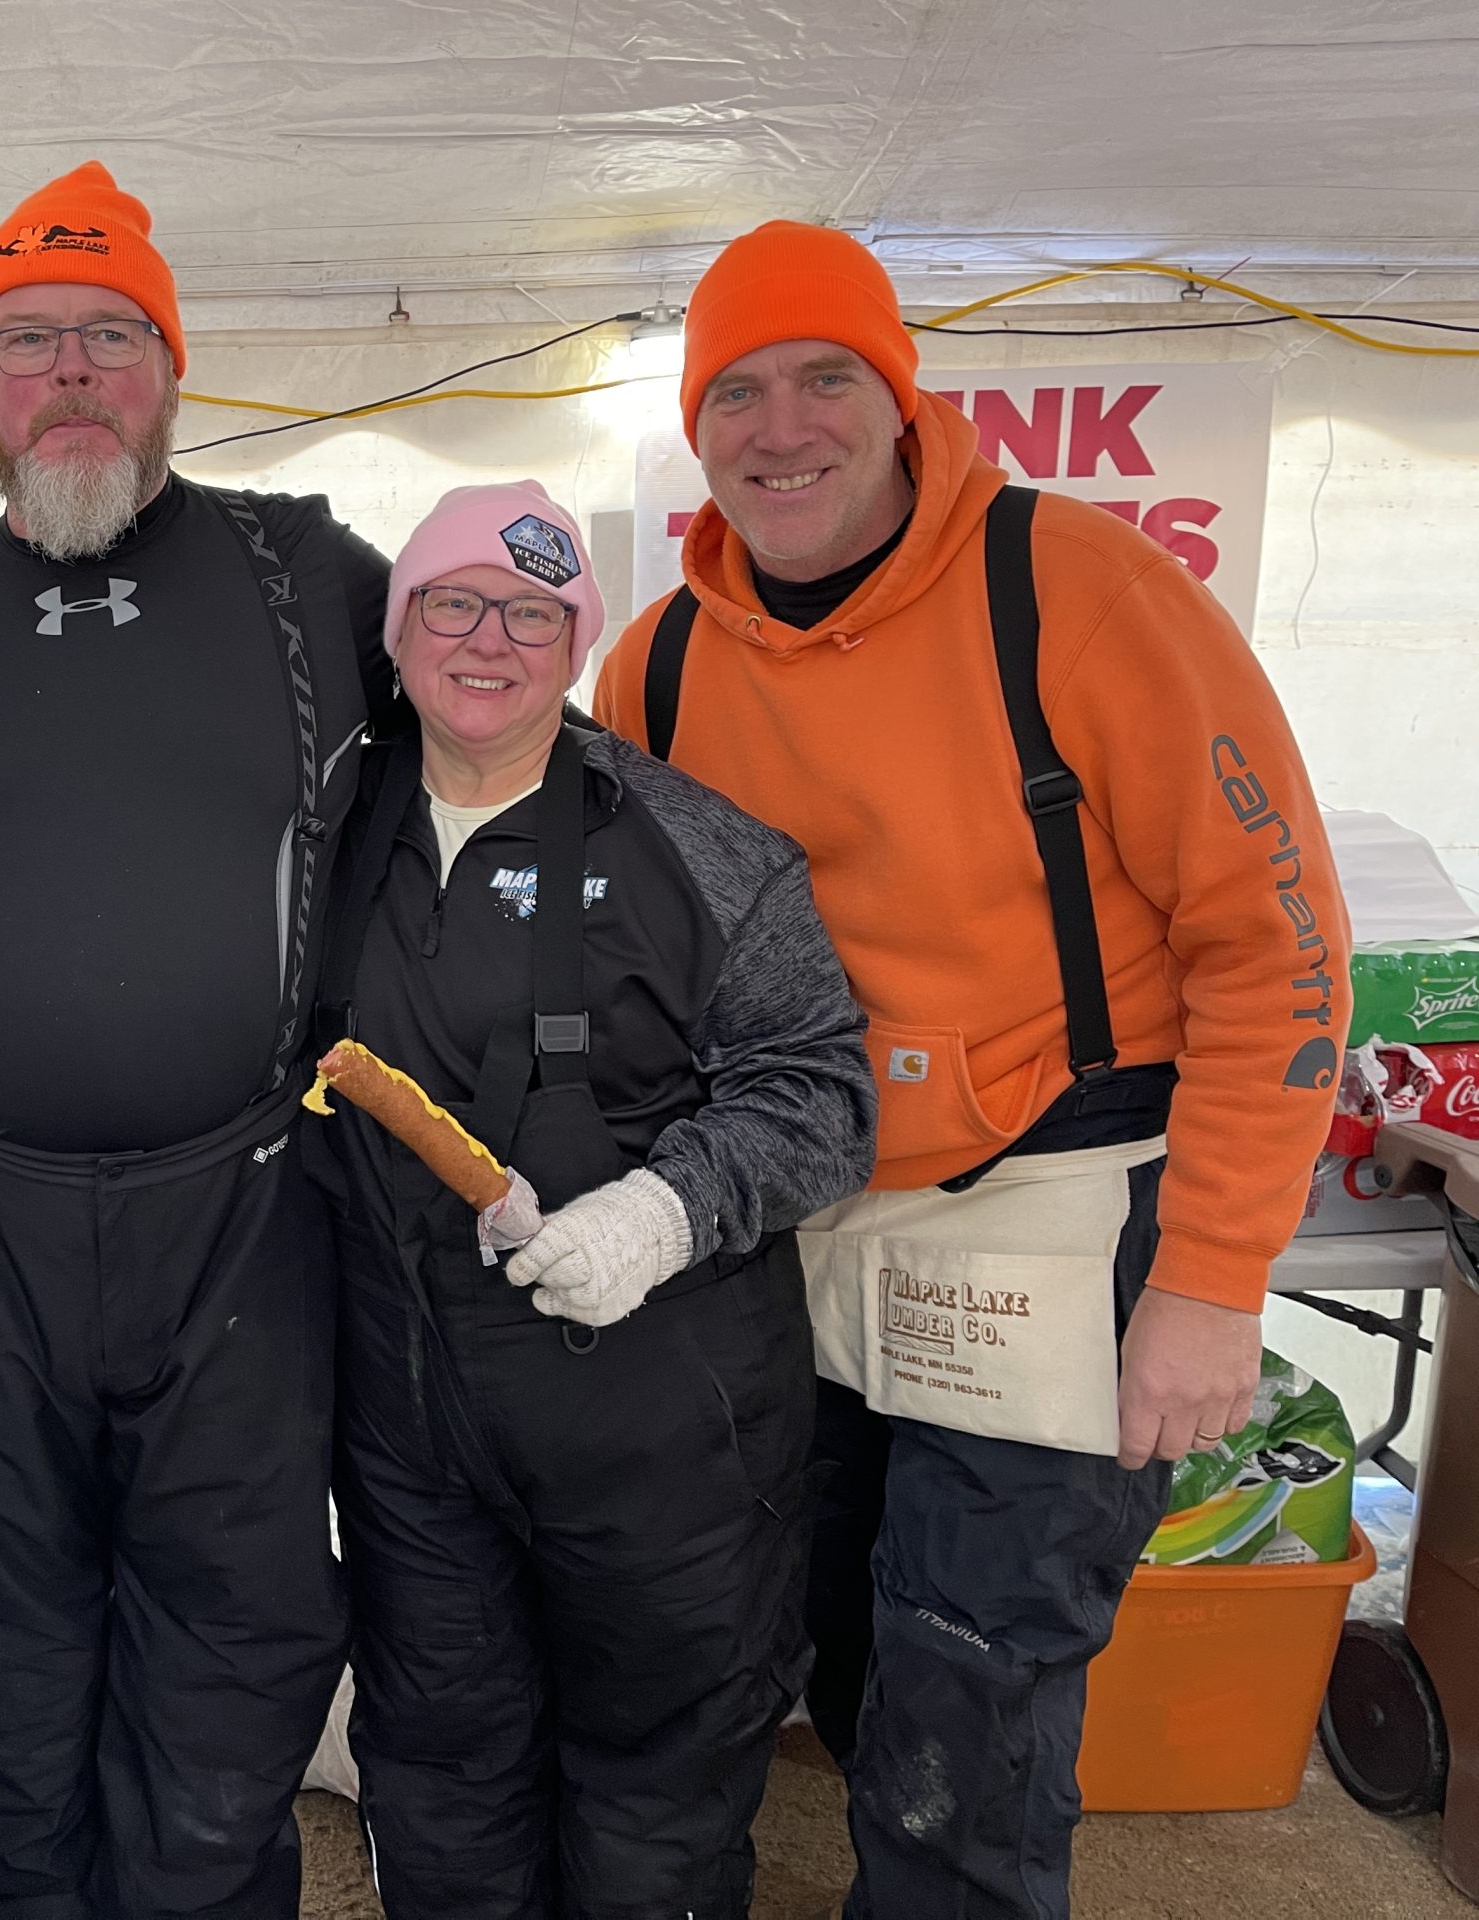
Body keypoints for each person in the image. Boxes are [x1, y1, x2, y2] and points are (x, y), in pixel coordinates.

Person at [589, 220, 1350, 1919]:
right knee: (848, 1658)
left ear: (900, 391)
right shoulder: (655, 663)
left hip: (1054, 1214)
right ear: (695, 430)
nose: (783, 428)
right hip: (801, 1221)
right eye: (738, 393)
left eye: (826, 379)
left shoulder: (1076, 590)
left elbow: (1276, 940)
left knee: (972, 1690)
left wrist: (1215, 1282)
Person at [0, 161, 394, 1919]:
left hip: (239, 1206)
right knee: (2, 1617)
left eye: (109, 337)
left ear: (173, 368)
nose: (68, 374)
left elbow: (529, 730)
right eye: (24, 342)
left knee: (233, 1616)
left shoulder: (311, 575)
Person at [312, 481, 875, 1918]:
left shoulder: (696, 847)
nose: (488, 639)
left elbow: (823, 1092)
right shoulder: (321, 830)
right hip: (411, 1423)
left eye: (534, 612)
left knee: (653, 1799)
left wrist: (661, 1212)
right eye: (454, 601)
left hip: (662, 1430)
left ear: (577, 645)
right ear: (399, 627)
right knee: (438, 1775)